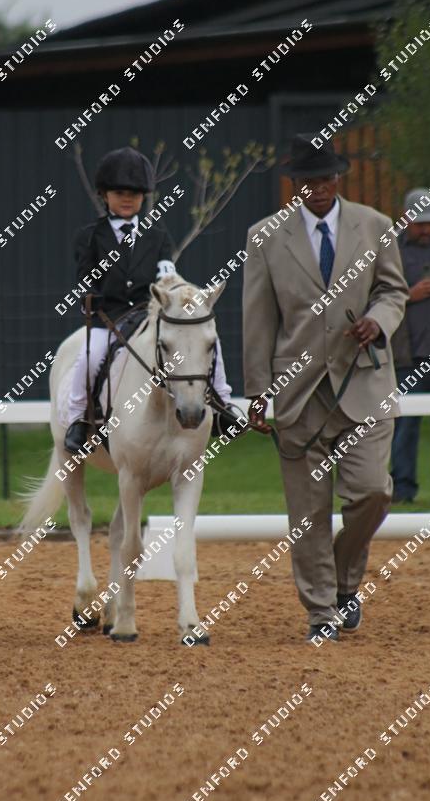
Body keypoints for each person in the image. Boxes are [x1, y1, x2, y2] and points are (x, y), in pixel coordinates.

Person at [243, 135, 407, 643]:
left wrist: (379, 321)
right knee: (308, 512)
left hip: (365, 381)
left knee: (373, 492)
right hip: (299, 392)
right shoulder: (264, 236)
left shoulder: (375, 226)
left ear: (339, 179)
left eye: (326, 179)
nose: (318, 188)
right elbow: (258, 319)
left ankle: (342, 581)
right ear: (295, 184)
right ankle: (320, 611)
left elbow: (393, 290)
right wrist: (257, 391)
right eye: (307, 181)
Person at [64, 146, 234, 452]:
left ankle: (223, 404)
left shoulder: (157, 237)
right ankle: (79, 419)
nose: (127, 199)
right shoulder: (89, 237)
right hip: (110, 318)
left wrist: (177, 290)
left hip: (149, 316)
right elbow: (85, 277)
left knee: (207, 339)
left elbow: (166, 273)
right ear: (104, 195)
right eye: (119, 193)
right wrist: (91, 298)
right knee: (90, 357)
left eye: (135, 193)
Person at [390, 188, 430, 503]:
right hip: (408, 358)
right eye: (420, 224)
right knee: (405, 425)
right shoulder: (390, 249)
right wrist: (408, 295)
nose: (427, 229)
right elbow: (374, 296)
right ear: (406, 220)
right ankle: (403, 489)